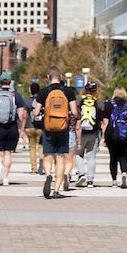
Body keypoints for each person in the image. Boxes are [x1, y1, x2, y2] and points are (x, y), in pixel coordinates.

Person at [32, 67, 79, 199]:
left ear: (48, 77)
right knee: (60, 158)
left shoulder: (43, 92)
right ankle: (57, 190)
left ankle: (48, 175)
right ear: (61, 77)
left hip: (48, 128)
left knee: (47, 155)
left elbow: (35, 113)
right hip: (63, 128)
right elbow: (75, 112)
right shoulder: (68, 91)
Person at [0, 72, 27, 185]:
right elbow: (22, 114)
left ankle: (0, 166)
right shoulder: (16, 96)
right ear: (10, 82)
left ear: (0, 82)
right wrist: (21, 128)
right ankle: (6, 178)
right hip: (11, 127)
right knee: (8, 153)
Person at [102, 87, 127, 188]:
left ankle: (114, 181)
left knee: (113, 158)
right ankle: (124, 173)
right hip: (124, 135)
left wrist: (104, 137)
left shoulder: (109, 104)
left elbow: (105, 122)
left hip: (111, 134)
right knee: (123, 156)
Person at [75, 81, 103, 187]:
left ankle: (81, 173)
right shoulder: (99, 103)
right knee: (91, 157)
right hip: (93, 132)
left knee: (78, 154)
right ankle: (90, 180)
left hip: (81, 132)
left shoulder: (79, 101)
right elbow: (101, 119)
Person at [26, 81, 44, 174]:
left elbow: (24, 115)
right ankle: (42, 167)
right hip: (41, 127)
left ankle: (33, 168)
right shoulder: (42, 100)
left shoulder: (28, 101)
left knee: (32, 148)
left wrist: (22, 127)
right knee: (41, 146)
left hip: (30, 126)